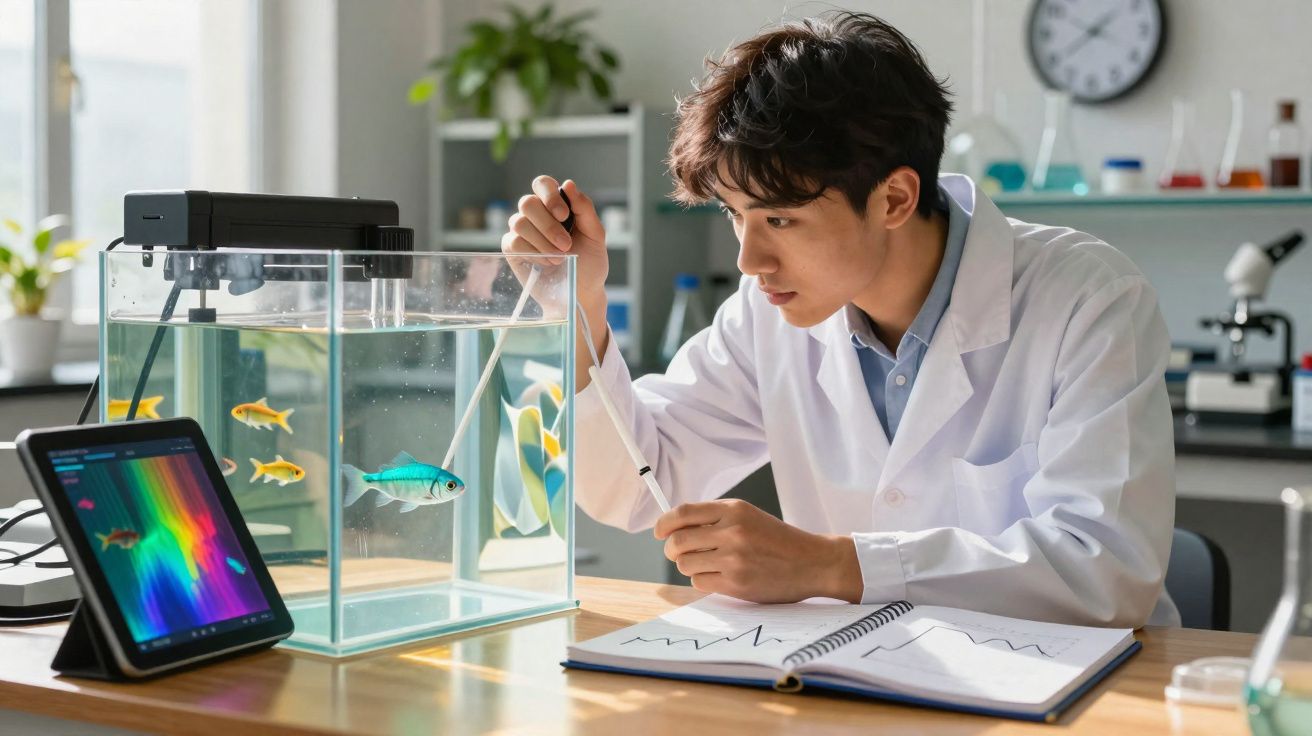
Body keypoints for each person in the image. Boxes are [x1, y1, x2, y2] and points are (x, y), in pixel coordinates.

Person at [502, 11, 1178, 627]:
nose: (748, 259)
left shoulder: (1090, 298)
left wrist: (831, 565)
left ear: (894, 197)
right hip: (859, 681)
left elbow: (1104, 571)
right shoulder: (768, 317)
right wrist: (580, 306)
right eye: (735, 215)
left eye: (781, 219)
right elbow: (635, 487)